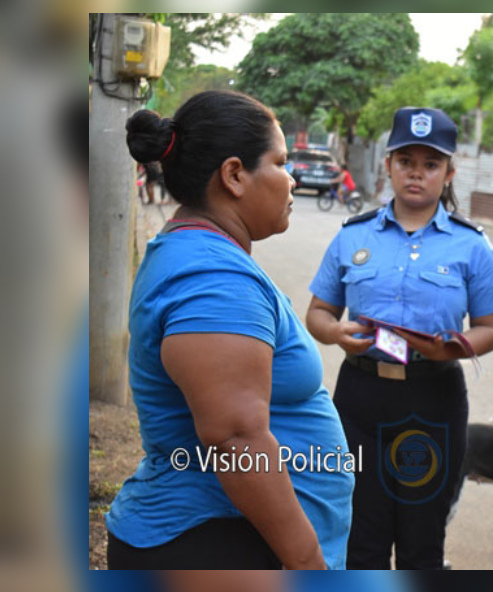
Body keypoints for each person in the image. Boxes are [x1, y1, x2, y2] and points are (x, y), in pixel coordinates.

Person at [108, 90, 354, 570]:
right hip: (215, 543)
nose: (292, 178)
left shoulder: (204, 258)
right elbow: (236, 440)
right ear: (235, 175)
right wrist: (308, 563)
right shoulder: (213, 279)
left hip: (230, 538)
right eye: (281, 163)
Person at [306, 107, 493, 569]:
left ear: (449, 172)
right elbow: (318, 312)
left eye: (431, 164)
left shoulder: (470, 245)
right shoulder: (352, 236)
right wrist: (336, 332)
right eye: (406, 161)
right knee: (361, 537)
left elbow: (491, 328)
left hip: (432, 398)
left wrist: (452, 346)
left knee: (421, 541)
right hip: (359, 398)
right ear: (388, 165)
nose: (417, 173)